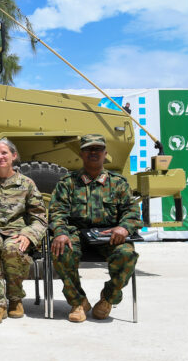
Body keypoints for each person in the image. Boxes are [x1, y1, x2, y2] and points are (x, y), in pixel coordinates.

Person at [50, 134, 142, 322]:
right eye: (88, 149)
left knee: (127, 254)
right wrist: (60, 233)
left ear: (105, 154)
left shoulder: (118, 183)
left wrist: (124, 228)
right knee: (60, 251)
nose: (93, 152)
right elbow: (57, 212)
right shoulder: (67, 183)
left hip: (108, 236)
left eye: (98, 149)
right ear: (81, 154)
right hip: (76, 234)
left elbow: (132, 212)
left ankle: (108, 299)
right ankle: (78, 302)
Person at [0, 139, 47, 324]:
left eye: (4, 153)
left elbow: (40, 217)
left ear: (14, 156)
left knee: (13, 248)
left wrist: (28, 235)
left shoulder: (27, 183)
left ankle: (15, 300)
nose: (0, 157)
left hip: (17, 233)